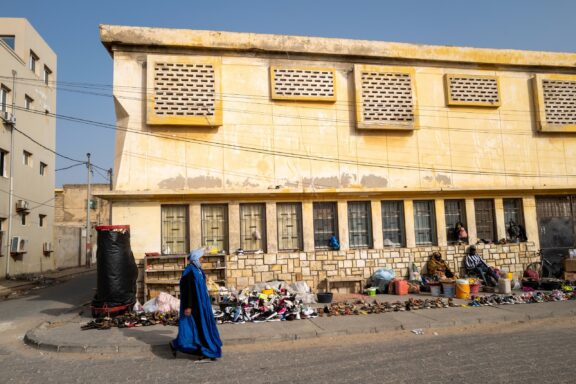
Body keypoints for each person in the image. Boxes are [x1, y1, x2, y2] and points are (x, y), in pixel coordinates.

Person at [169, 248, 222, 360]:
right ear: (195, 258)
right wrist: (188, 306)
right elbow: (187, 290)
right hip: (195, 304)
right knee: (198, 326)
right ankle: (204, 351)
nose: (202, 259)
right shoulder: (189, 272)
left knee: (200, 327)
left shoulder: (197, 270)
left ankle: (178, 345)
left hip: (202, 304)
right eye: (201, 257)